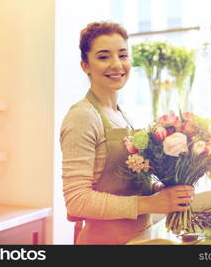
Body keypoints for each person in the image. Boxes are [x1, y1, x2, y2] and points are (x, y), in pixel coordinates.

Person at [60, 21, 194, 245]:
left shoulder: (121, 115)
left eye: (123, 55)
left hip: (139, 239)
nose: (117, 64)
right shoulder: (82, 116)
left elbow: (126, 184)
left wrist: (159, 190)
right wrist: (150, 204)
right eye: (103, 57)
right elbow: (77, 201)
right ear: (85, 65)